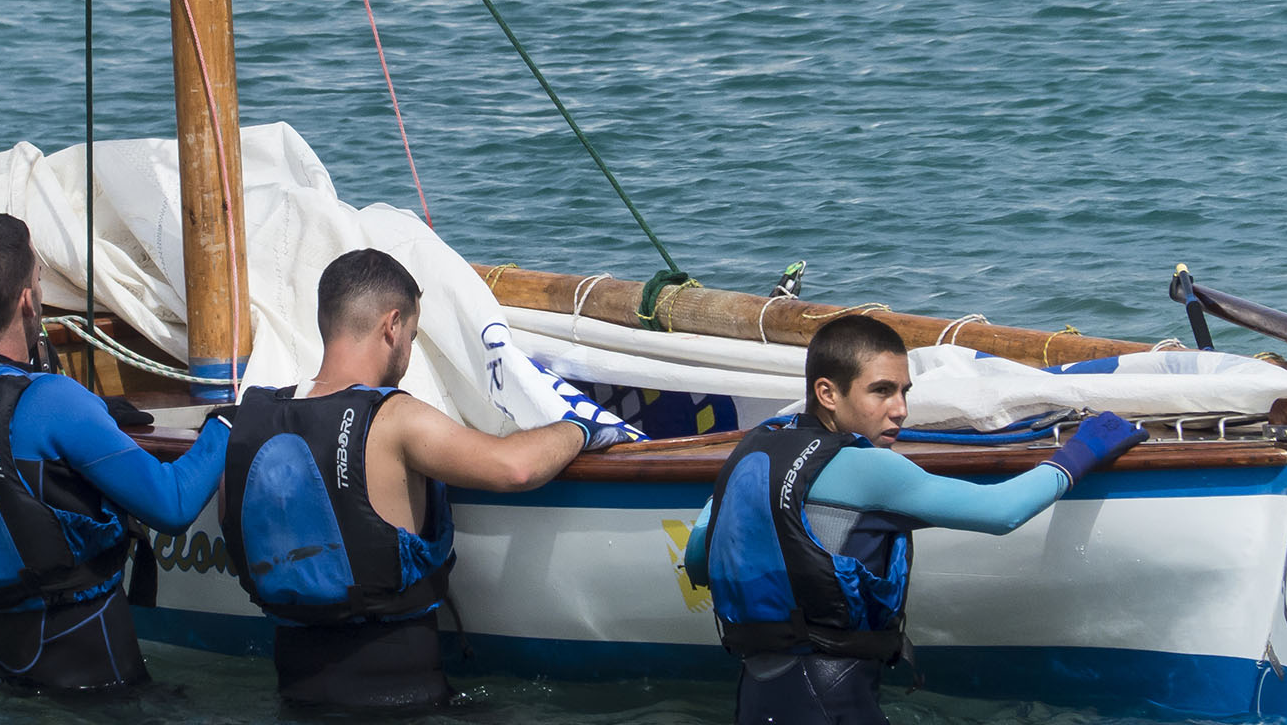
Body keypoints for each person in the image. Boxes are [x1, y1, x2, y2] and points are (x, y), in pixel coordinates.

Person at [684, 313, 1148, 725]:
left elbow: (699, 561)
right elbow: (1002, 511)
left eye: (904, 391)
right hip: (832, 701)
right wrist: (1080, 452)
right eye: (881, 391)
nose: (900, 409)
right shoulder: (868, 466)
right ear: (827, 392)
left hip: (758, 696)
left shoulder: (750, 454)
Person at [219, 248, 629, 709]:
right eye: (412, 337)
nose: (409, 353)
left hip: (295, 697)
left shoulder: (244, 424)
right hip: (404, 700)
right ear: (391, 326)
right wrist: (580, 427)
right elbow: (515, 467)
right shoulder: (394, 418)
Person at [0, 213, 231, 692]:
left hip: (7, 669)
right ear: (28, 301)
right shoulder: (52, 401)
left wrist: (95, 417)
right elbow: (172, 505)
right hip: (99, 678)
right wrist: (227, 423)